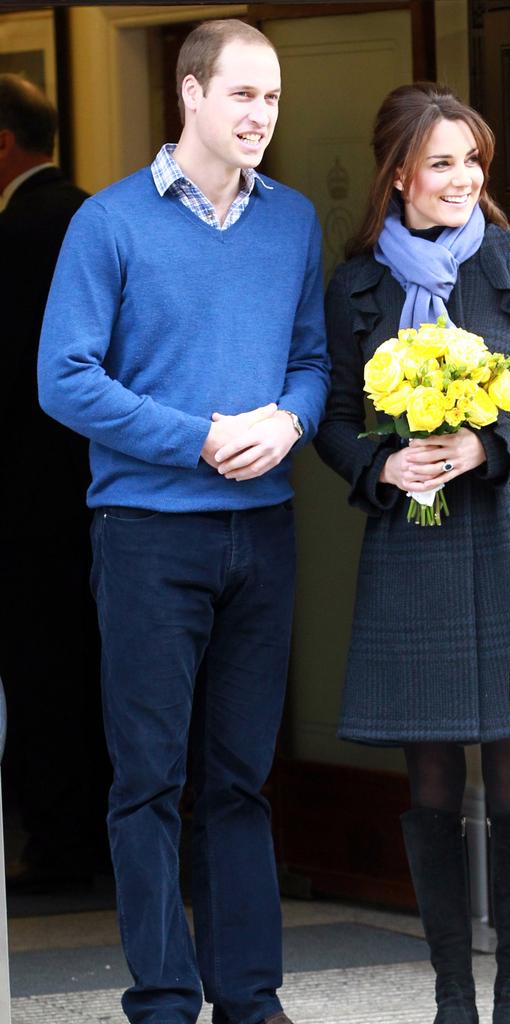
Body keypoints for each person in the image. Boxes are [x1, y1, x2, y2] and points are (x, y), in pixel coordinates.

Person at [38, 19, 329, 1024]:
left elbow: (313, 360)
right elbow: (62, 379)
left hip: (265, 531)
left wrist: (291, 420)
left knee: (240, 779)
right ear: (190, 95)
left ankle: (251, 1000)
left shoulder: (291, 222)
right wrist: (197, 437)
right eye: (243, 95)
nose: (261, 116)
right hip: (149, 533)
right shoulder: (108, 223)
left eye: (274, 99)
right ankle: (163, 1000)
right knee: (149, 780)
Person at [315, 83, 510, 1024]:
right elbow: (331, 422)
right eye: (441, 162)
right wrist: (383, 464)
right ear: (399, 173)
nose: (461, 178)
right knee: (432, 777)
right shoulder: (358, 285)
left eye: (471, 161)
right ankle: (451, 999)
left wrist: (490, 440)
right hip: (412, 552)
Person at [0, 73, 107, 891]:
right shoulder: (91, 214)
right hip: (100, 482)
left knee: (42, 666)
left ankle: (61, 841)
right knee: (90, 659)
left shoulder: (21, 231)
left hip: (29, 492)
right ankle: (87, 833)